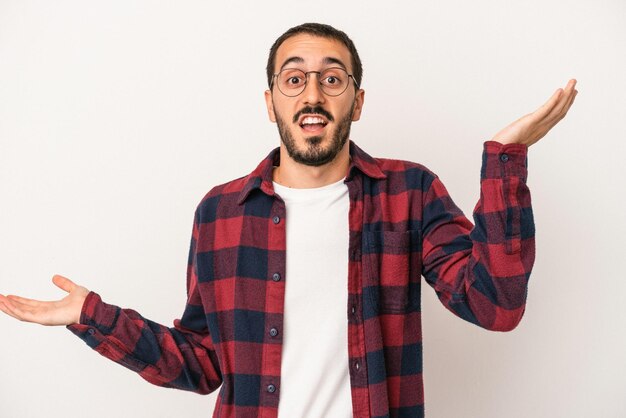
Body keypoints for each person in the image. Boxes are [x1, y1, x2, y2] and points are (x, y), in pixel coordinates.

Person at [0, 22, 577, 418]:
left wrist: (504, 160)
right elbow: (204, 364)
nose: (313, 93)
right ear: (271, 100)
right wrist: (92, 317)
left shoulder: (409, 191)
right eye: (294, 78)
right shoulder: (221, 212)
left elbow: (496, 306)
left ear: (357, 100)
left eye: (333, 78)